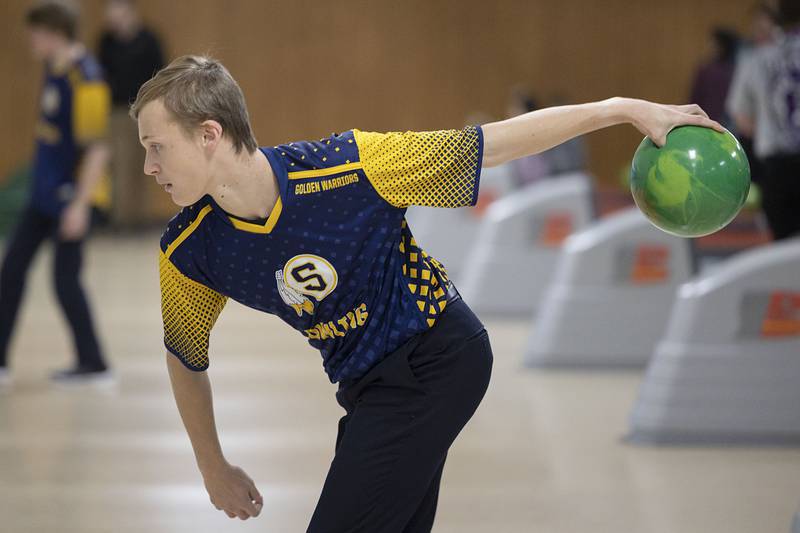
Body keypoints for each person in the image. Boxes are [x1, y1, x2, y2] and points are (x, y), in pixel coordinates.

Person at [131, 55, 722, 531]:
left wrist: (619, 109)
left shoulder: (352, 167)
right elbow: (185, 356)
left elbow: (490, 144)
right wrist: (212, 468)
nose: (150, 165)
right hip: (366, 389)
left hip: (439, 358)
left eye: (157, 146)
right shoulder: (189, 250)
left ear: (209, 134)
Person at [0, 1, 112, 388]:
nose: (30, 42)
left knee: (65, 280)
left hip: (70, 198)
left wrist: (80, 206)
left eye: (34, 35)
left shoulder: (88, 80)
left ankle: (95, 364)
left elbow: (97, 148)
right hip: (42, 194)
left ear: (54, 33)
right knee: (11, 271)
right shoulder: (53, 66)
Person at [727, 0, 800, 240]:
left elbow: (741, 117)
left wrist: (770, 129)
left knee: (783, 254)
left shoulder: (756, 59)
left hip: (777, 168)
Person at [98, 0, 164, 230]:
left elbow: (160, 74)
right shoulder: (106, 41)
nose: (110, 14)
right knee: (119, 165)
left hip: (145, 110)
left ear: (129, 10)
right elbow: (101, 75)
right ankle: (120, 219)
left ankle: (139, 217)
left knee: (145, 164)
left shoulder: (149, 39)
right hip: (117, 111)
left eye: (115, 8)